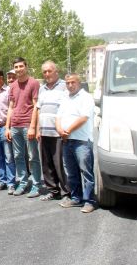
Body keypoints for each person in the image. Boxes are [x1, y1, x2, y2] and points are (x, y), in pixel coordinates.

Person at [55, 73, 96, 213]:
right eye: (68, 83)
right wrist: (60, 130)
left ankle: (89, 201)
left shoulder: (86, 97)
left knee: (86, 172)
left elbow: (84, 118)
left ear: (79, 82)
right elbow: (58, 116)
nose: (70, 85)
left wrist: (68, 130)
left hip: (82, 141)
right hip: (67, 140)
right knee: (71, 172)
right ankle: (76, 197)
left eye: (73, 82)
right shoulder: (65, 97)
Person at [5, 57, 42, 198]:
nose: (19, 69)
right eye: (16, 67)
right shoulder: (13, 86)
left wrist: (33, 127)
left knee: (33, 157)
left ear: (26, 66)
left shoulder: (33, 83)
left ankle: (36, 185)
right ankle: (22, 182)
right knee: (18, 156)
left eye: (21, 66)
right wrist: (7, 127)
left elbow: (36, 107)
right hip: (15, 126)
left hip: (28, 126)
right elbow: (11, 107)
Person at [36, 61, 69, 201]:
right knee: (47, 164)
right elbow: (38, 109)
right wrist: (37, 128)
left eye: (49, 71)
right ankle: (53, 191)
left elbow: (69, 108)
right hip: (44, 132)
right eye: (44, 72)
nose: (47, 74)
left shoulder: (64, 86)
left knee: (60, 164)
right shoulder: (42, 88)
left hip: (58, 133)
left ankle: (67, 193)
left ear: (56, 71)